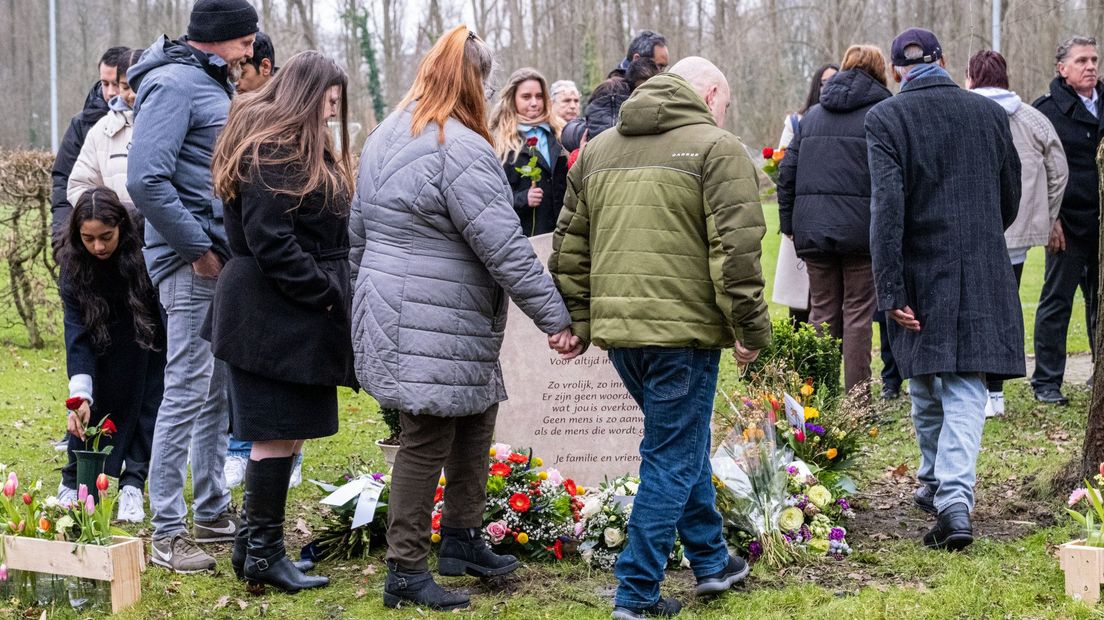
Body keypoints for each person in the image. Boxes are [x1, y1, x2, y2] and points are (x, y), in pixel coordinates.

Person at [349, 26, 577, 611]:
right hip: (435, 312)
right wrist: (556, 318)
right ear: (473, 80)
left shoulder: (384, 135)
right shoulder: (460, 146)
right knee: (426, 434)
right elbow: (505, 247)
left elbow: (357, 236)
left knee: (477, 412)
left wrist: (362, 302)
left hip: (400, 305)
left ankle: (462, 539)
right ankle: (404, 570)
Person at [551, 56, 770, 619]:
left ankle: (711, 560)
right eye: (724, 102)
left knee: (681, 443)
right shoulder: (717, 148)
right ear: (711, 91)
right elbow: (736, 252)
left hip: (623, 337)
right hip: (685, 336)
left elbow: (569, 247)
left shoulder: (597, 150)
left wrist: (577, 321)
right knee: (671, 456)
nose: (723, 112)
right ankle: (637, 593)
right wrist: (749, 328)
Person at [867, 28, 1023, 551]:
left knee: (944, 379)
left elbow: (886, 212)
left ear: (895, 72)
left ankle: (953, 500)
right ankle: (934, 479)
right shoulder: (989, 113)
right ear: (943, 61)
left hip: (919, 268)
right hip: (981, 262)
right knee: (936, 381)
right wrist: (977, 237)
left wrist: (890, 290)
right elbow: (1010, 196)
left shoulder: (887, 117)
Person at [209, 50, 353, 594]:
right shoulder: (276, 150)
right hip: (272, 313)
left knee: (287, 430)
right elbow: (272, 240)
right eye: (327, 102)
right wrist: (324, 294)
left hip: (286, 313)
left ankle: (252, 548)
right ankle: (265, 553)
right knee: (274, 431)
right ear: (303, 97)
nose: (331, 112)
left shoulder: (289, 145)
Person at [126, 0, 258, 573]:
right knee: (184, 391)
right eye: (247, 39)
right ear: (222, 36)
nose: (253, 49)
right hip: (191, 263)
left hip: (215, 258)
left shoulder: (205, 80)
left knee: (211, 391)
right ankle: (167, 534)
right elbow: (144, 179)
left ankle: (210, 511)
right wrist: (199, 251)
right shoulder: (177, 84)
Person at [778, 45, 892, 397]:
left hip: (814, 232)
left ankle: (819, 396)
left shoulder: (812, 116)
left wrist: (789, 225)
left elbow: (787, 173)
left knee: (822, 311)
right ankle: (858, 401)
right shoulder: (883, 113)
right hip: (862, 232)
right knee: (858, 315)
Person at [966, 50, 1069, 417]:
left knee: (974, 308)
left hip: (970, 232)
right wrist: (1045, 213)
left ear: (971, 77)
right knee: (1006, 308)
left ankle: (977, 388)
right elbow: (1059, 170)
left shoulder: (962, 112)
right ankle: (997, 392)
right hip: (1017, 233)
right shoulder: (1032, 118)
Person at [58, 188, 165, 524]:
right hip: (97, 341)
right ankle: (73, 481)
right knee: (91, 412)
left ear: (121, 226)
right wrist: (80, 396)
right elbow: (76, 335)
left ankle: (133, 484)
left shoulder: (142, 252)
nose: (99, 247)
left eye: (106, 236)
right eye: (89, 239)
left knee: (146, 408)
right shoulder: (73, 267)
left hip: (146, 340)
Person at [222, 30, 287, 492]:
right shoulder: (250, 127)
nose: (236, 80)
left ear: (264, 67)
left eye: (242, 68)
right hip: (253, 273)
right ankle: (241, 452)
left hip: (259, 272)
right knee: (254, 390)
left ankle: (256, 539)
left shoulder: (269, 119)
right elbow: (264, 231)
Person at [1030, 36, 1102, 406]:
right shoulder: (1046, 111)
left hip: (1102, 224)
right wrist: (1050, 218)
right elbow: (1036, 171)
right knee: (1057, 302)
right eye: (1081, 61)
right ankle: (1046, 381)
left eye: (1094, 59)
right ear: (1062, 68)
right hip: (1067, 224)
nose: (1090, 66)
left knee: (1099, 303)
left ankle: (1099, 376)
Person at [772, 63, 839, 326]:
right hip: (802, 219)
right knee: (800, 306)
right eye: (824, 81)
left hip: (833, 219)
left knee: (829, 305)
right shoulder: (796, 122)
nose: (829, 86)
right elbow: (782, 169)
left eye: (835, 80)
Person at [51, 46, 131, 245]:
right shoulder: (82, 124)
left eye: (116, 84)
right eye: (104, 83)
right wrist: (62, 239)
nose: (111, 92)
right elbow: (64, 181)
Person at [489, 67, 567, 237]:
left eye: (539, 96)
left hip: (562, 235)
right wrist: (523, 199)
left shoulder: (559, 133)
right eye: (526, 97)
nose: (534, 103)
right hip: (524, 237)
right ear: (512, 99)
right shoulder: (500, 142)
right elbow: (491, 198)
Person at [67, 49, 144, 211]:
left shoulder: (171, 124)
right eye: (124, 86)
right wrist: (110, 216)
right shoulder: (100, 130)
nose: (131, 95)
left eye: (137, 86)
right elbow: (78, 185)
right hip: (117, 234)